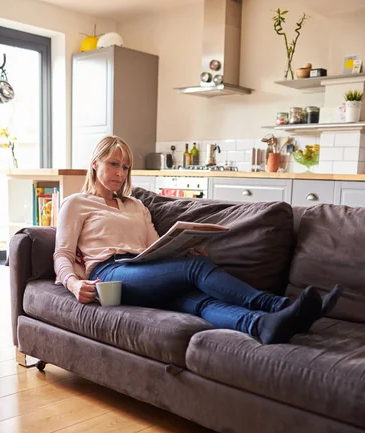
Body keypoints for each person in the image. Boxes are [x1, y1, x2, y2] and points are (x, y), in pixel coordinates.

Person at [54, 135, 341, 345]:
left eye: (126, 167)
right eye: (113, 164)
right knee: (195, 269)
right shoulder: (77, 203)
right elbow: (62, 254)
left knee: (197, 300)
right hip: (110, 274)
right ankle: (280, 306)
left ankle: (261, 325)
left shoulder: (136, 206)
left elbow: (157, 246)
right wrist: (74, 283)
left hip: (144, 269)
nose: (120, 172)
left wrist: (183, 246)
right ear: (95, 164)